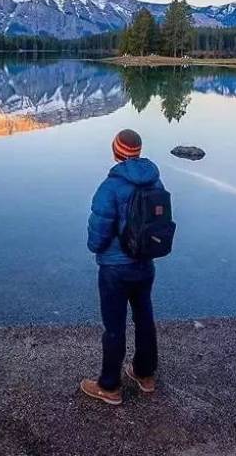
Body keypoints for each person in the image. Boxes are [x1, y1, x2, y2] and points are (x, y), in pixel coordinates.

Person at [80, 128, 163, 406]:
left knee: (114, 326)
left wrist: (95, 247)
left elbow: (98, 233)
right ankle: (145, 374)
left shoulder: (110, 187)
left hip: (115, 269)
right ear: (138, 152)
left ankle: (110, 387)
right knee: (144, 319)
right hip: (145, 264)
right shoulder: (155, 181)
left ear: (116, 151)